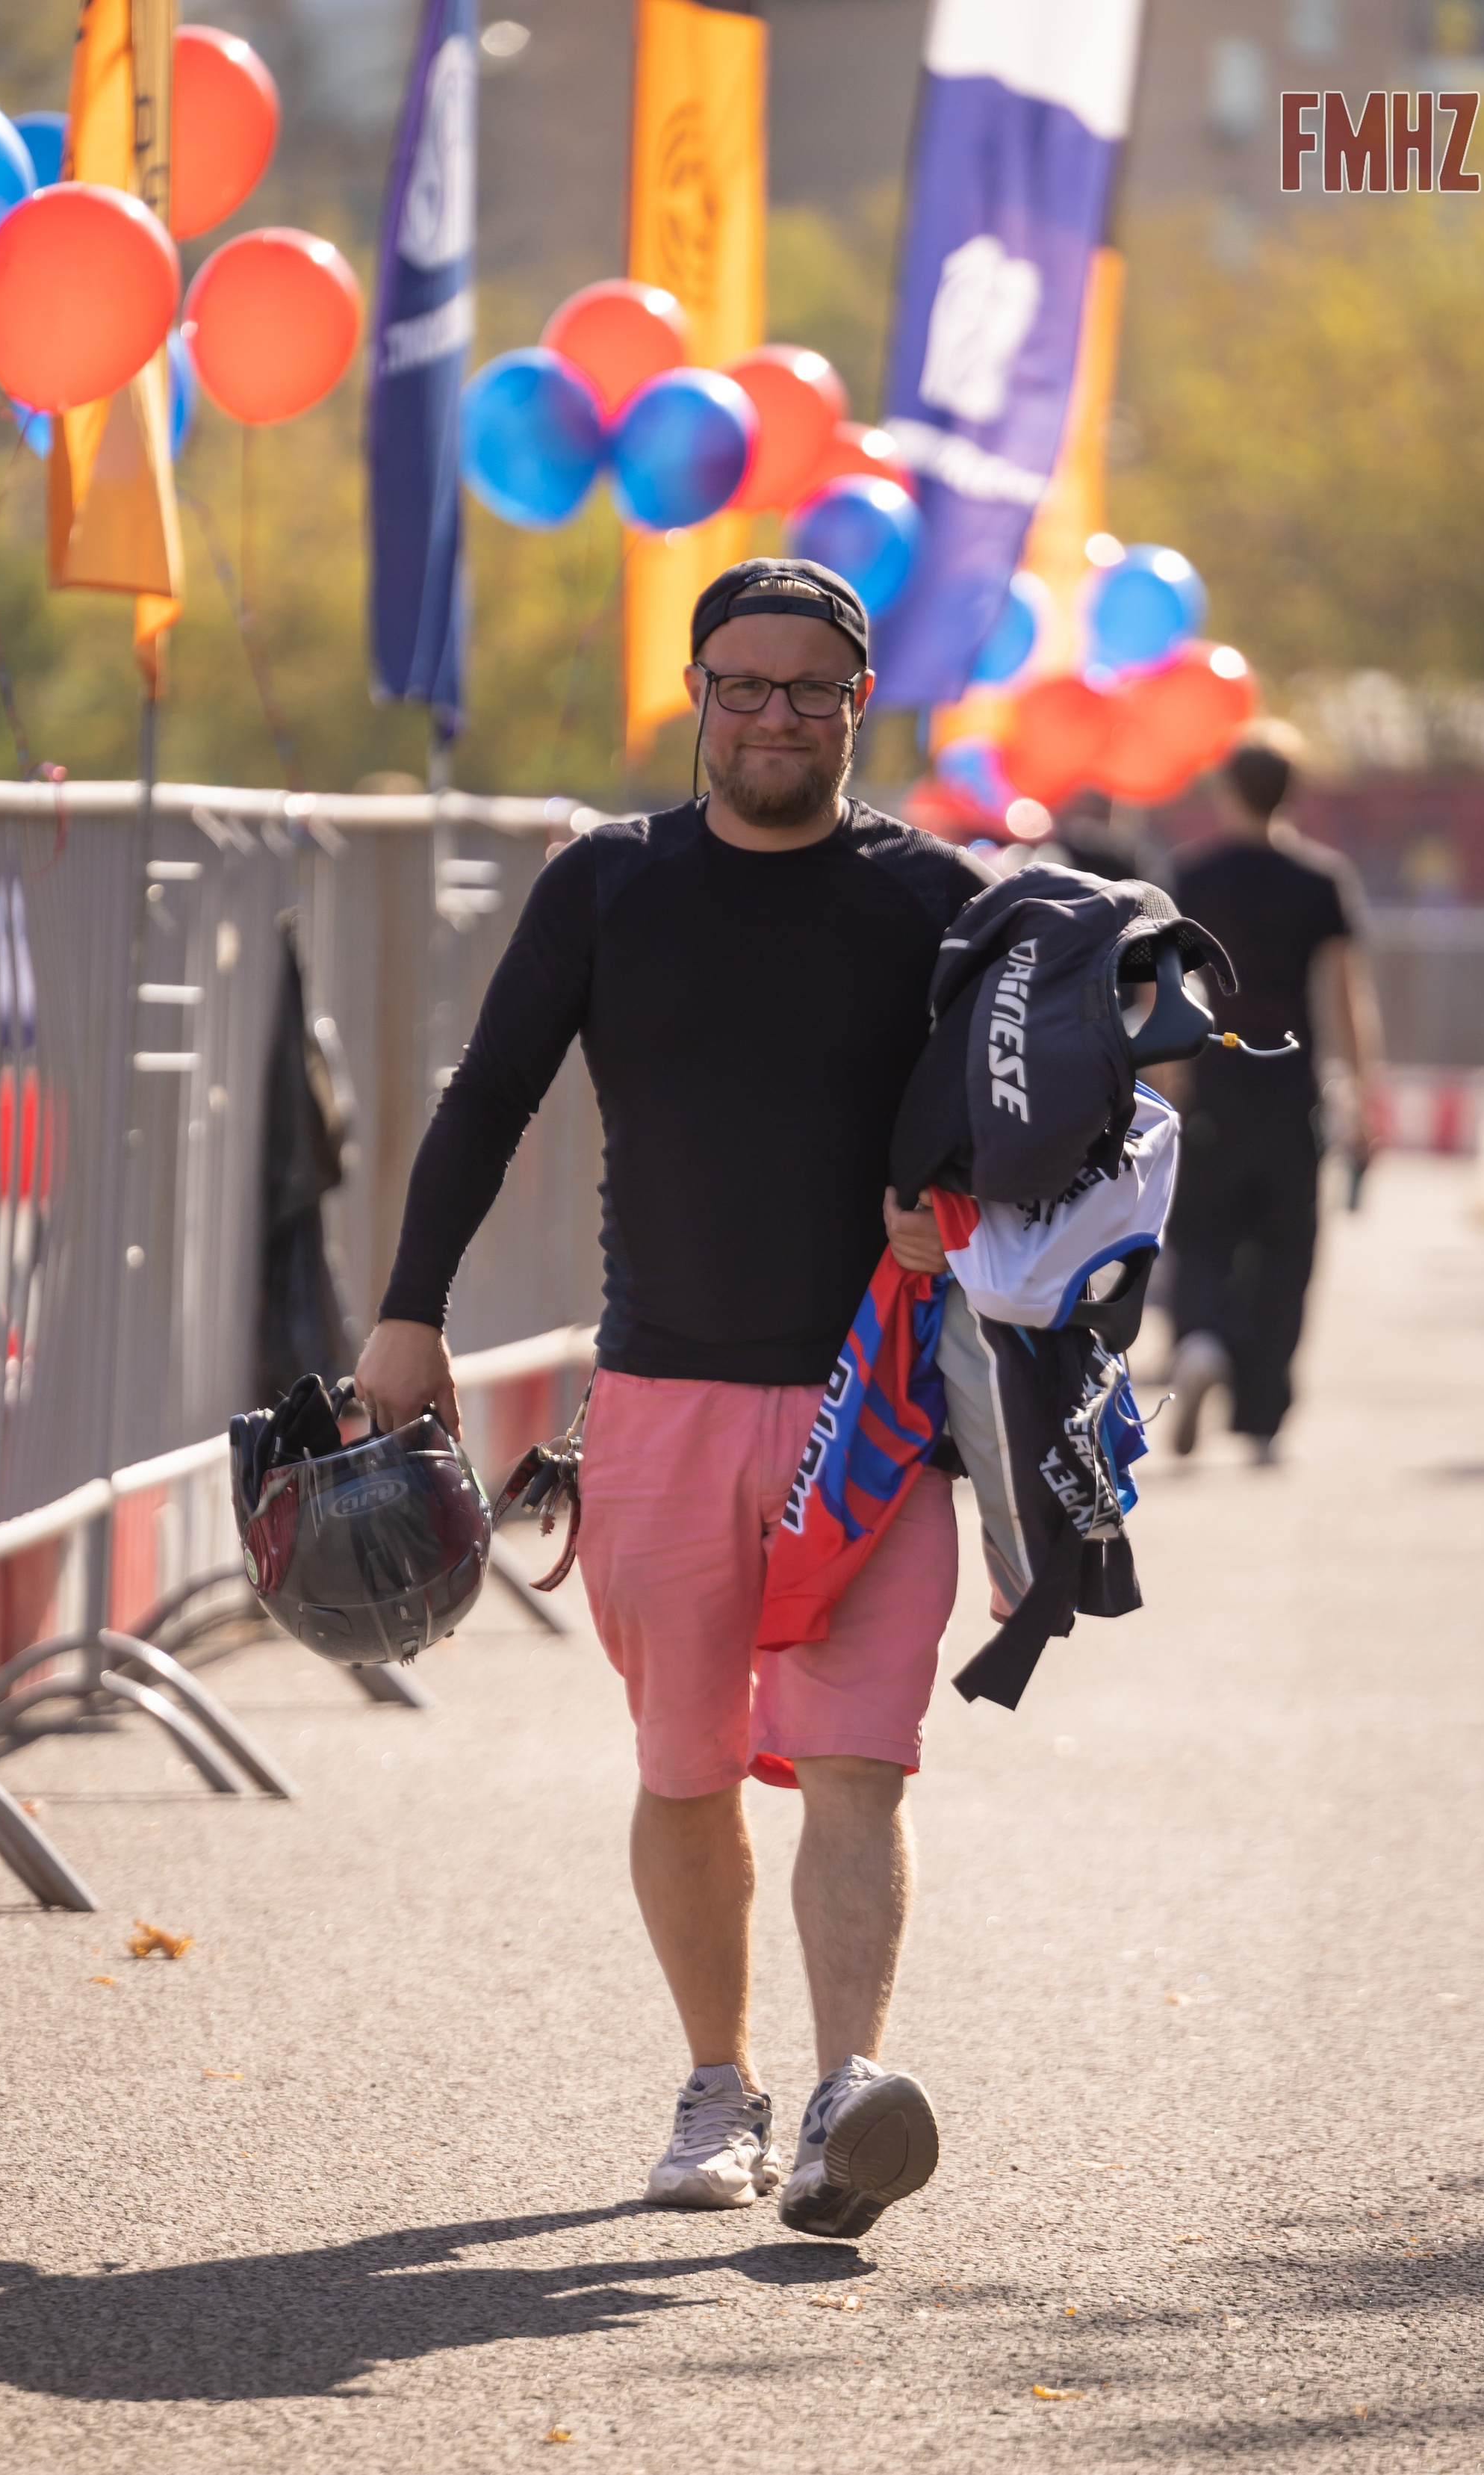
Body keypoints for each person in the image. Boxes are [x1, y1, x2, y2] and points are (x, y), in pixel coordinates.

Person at [355, 558, 991, 2239]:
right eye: (742, 685)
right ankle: (720, 2086)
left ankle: (845, 2101)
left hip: (875, 1413)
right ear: (695, 693)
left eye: (808, 690)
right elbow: (488, 1094)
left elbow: (1032, 1132)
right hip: (660, 1398)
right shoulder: (607, 886)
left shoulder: (935, 897)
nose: (772, 717)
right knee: (687, 1763)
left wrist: (954, 1211)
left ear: (860, 705)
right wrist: (408, 1312)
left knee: (859, 1759)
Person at [1163, 725, 1382, 1461]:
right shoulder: (1321, 880)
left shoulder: (1192, 877)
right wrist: (1363, 1095)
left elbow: (1165, 991)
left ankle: (1199, 1338)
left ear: (1227, 792)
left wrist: (1165, 1084)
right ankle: (1260, 1418)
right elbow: (1345, 999)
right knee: (1286, 1252)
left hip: (1212, 1082)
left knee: (1199, 1233)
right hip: (1292, 1089)